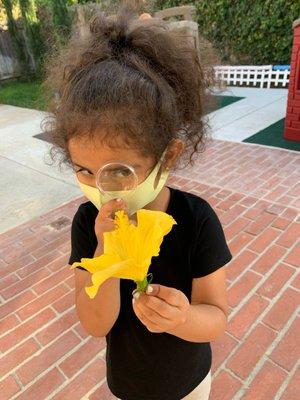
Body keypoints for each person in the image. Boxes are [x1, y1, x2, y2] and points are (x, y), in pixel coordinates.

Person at [41, 2, 232, 399]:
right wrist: (105, 252)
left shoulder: (196, 220)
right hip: (126, 385)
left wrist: (182, 319)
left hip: (189, 385)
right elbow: (95, 324)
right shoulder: (86, 223)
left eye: (118, 171)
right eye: (83, 170)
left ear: (170, 155)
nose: (100, 189)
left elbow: (215, 318)